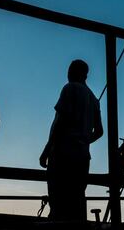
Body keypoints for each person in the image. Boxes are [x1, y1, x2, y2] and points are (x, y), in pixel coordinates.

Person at [39, 59, 103, 221]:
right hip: (82, 157)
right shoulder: (94, 99)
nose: (68, 74)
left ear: (77, 72)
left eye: (70, 70)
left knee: (58, 199)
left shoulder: (70, 89)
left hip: (62, 153)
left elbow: (60, 122)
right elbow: (100, 131)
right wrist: (83, 141)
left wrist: (46, 150)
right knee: (77, 198)